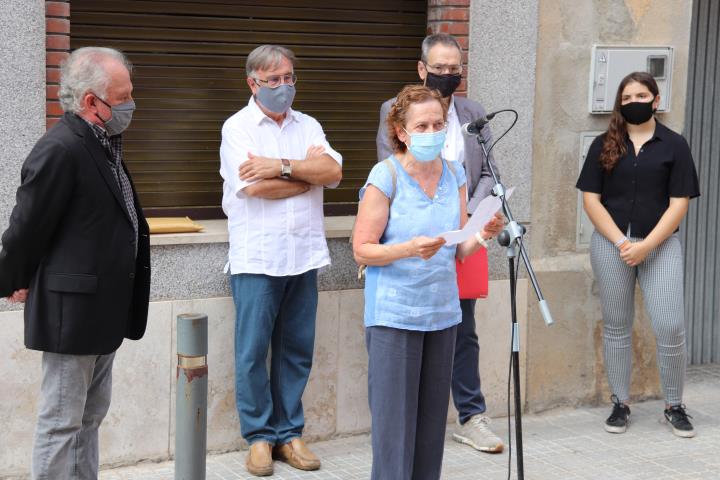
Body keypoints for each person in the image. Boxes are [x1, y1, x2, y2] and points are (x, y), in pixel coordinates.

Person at [0, 47, 150, 479]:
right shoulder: (61, 148)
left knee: (89, 419)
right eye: (123, 98)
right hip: (74, 311)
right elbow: (27, 226)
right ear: (90, 101)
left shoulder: (103, 144)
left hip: (103, 309)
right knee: (61, 424)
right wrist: (14, 277)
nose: (130, 105)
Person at [354, 85, 503, 480]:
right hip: (394, 316)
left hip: (442, 314)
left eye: (438, 123)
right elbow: (362, 250)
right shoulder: (385, 176)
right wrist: (407, 249)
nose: (433, 131)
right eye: (422, 125)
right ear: (402, 132)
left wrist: (484, 231)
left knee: (430, 430)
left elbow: (458, 247)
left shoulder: (454, 172)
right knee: (394, 432)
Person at [219, 44, 343, 477]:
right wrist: (303, 179)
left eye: (289, 77)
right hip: (257, 257)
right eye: (274, 80)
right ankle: (258, 438)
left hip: (303, 256)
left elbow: (332, 173)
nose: (284, 86)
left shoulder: (308, 124)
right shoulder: (237, 128)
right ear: (253, 83)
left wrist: (279, 166)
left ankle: (289, 434)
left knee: (296, 350)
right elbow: (252, 189)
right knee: (252, 352)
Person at [576, 71, 700, 438]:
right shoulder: (604, 143)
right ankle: (620, 403)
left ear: (656, 100)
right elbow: (590, 199)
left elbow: (679, 204)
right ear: (620, 103)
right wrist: (620, 242)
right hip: (612, 244)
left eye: (641, 95)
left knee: (670, 326)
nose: (634, 102)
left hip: (659, 246)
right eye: (627, 97)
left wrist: (646, 245)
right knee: (616, 326)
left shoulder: (674, 145)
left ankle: (674, 404)